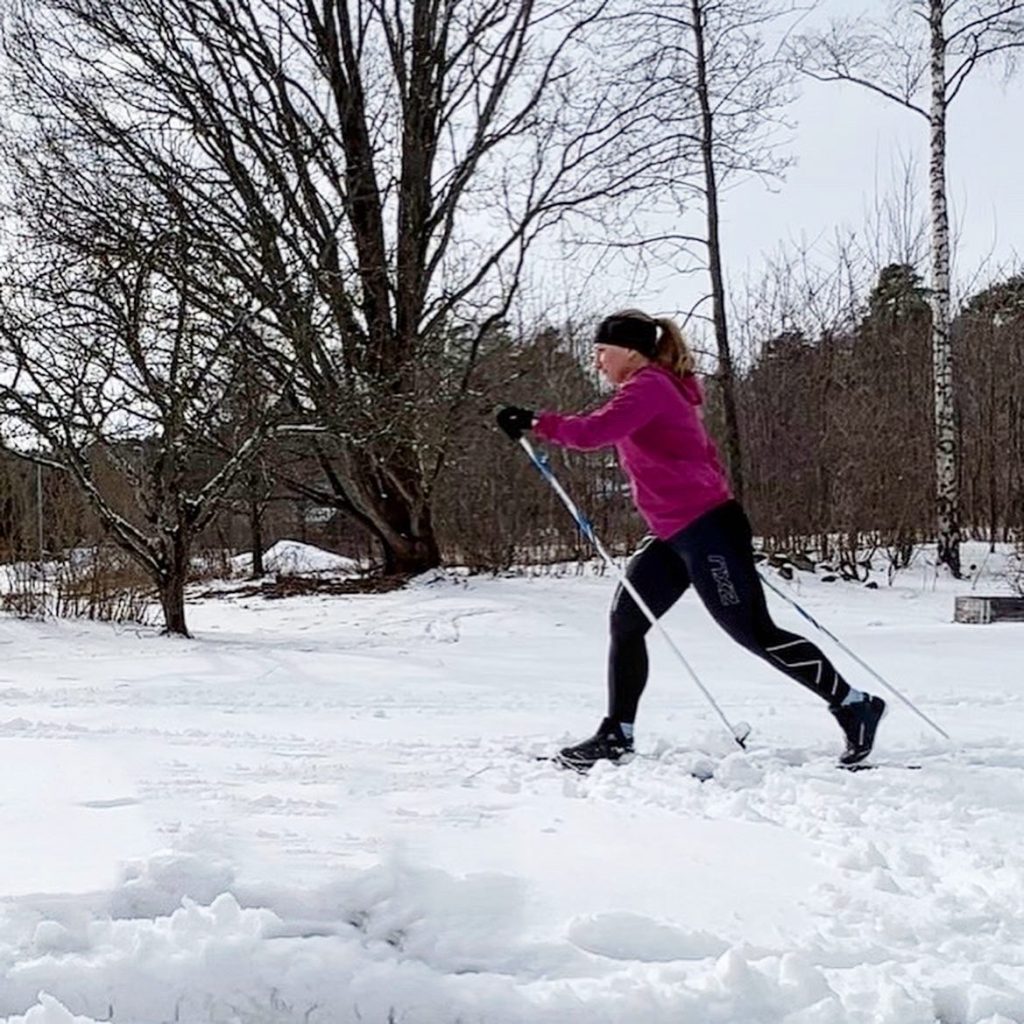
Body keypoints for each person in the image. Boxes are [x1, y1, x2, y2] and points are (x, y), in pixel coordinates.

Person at [496, 309, 885, 770]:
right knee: (627, 621)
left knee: (754, 633)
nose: (597, 361)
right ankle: (616, 734)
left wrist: (537, 422)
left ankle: (853, 703)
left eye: (603, 351)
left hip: (706, 530)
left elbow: (594, 432)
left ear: (631, 352)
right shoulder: (648, 390)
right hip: (672, 534)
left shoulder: (650, 387)